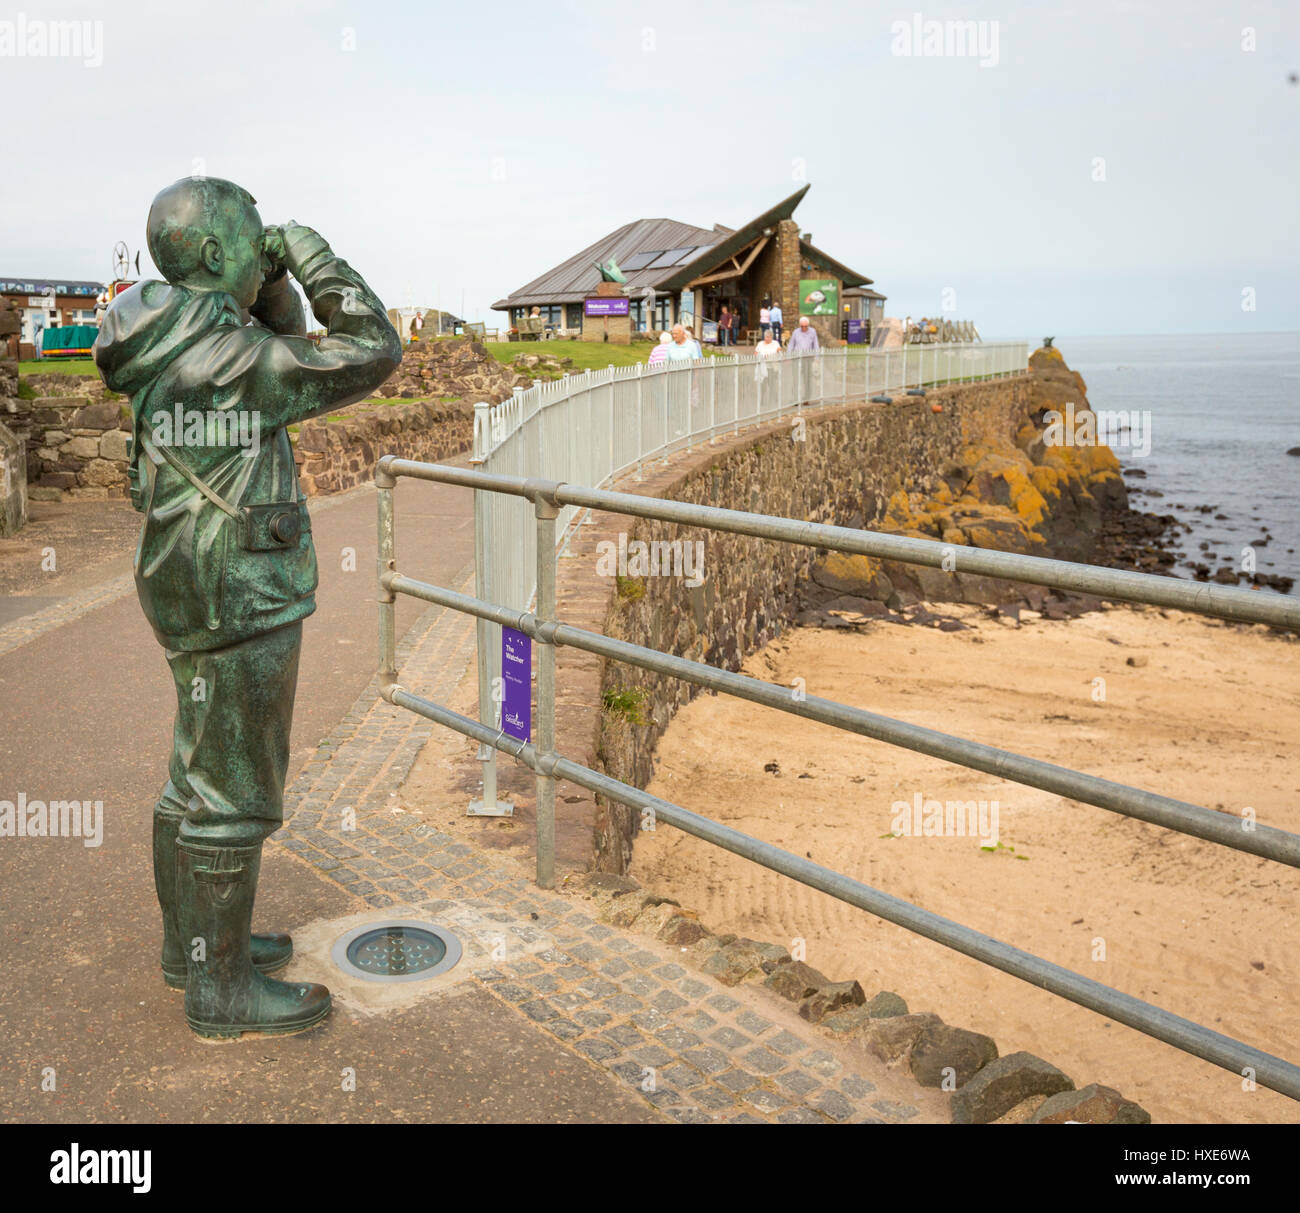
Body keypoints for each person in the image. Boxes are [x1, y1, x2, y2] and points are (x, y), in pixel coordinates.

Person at [93, 176, 401, 1040]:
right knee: (234, 789)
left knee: (191, 769)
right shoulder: (223, 360)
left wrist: (263, 287)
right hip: (240, 590)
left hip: (186, 580)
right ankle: (221, 989)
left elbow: (285, 347)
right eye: (255, 237)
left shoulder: (172, 336)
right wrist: (311, 256)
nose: (268, 242)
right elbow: (370, 351)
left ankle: (191, 949)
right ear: (219, 254)